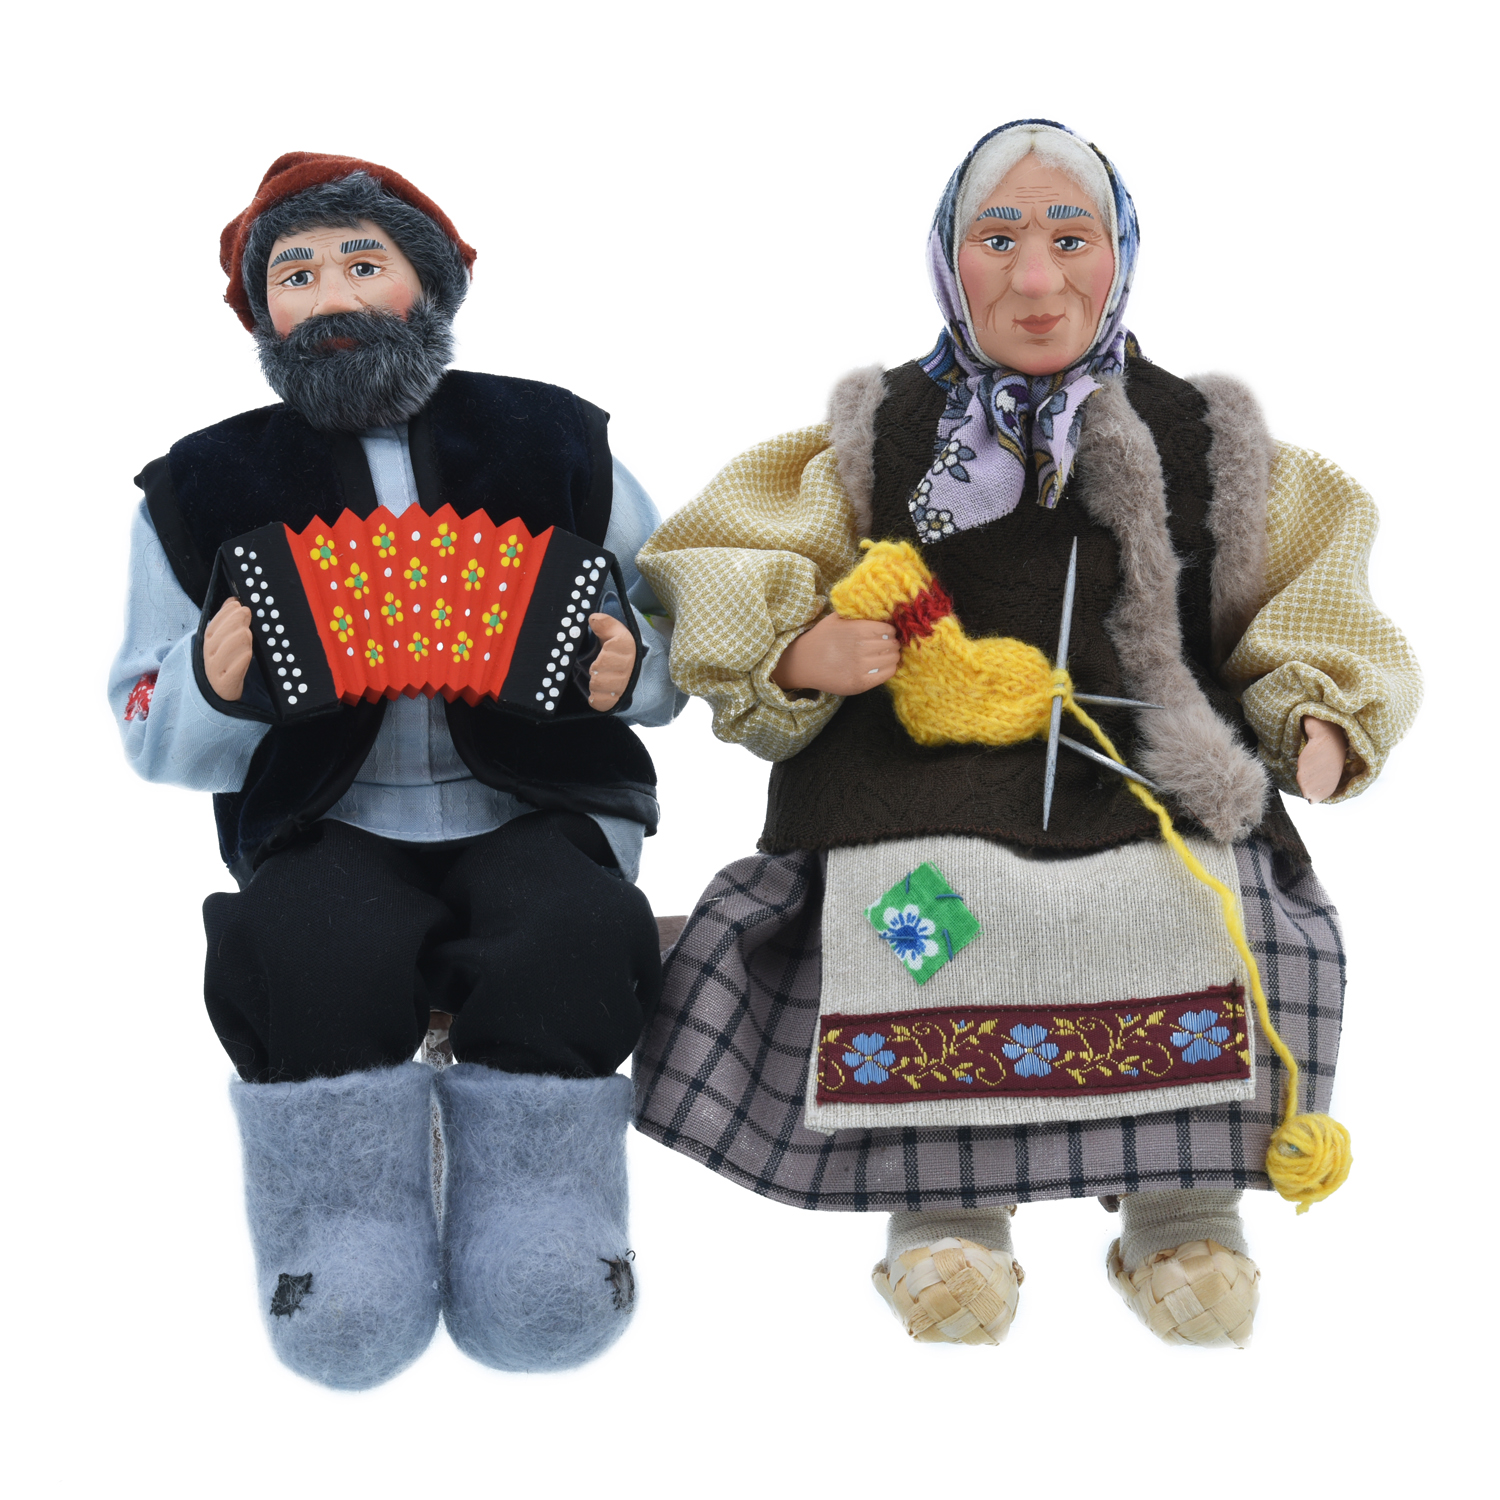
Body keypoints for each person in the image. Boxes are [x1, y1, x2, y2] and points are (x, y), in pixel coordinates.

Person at [631, 119, 1420, 1348]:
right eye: (998, 240)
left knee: (1196, 905)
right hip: (911, 783)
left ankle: (1184, 1210)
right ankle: (946, 1212)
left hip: (1137, 779)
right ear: (950, 259)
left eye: (1070, 238)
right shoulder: (876, 436)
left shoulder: (1208, 440)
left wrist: (1318, 706)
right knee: (919, 929)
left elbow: (1310, 577)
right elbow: (725, 552)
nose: (1038, 279)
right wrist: (796, 648)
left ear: (1122, 256)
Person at [109, 152, 682, 1388]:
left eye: (362, 264)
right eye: (296, 276)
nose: (331, 297)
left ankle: (545, 1219)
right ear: (264, 317)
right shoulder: (196, 487)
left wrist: (632, 668)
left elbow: (682, 620)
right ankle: (340, 1231)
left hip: (539, 798)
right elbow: (142, 714)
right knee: (307, 944)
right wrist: (208, 679)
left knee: (570, 930)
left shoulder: (557, 439)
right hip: (328, 816)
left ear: (429, 289)